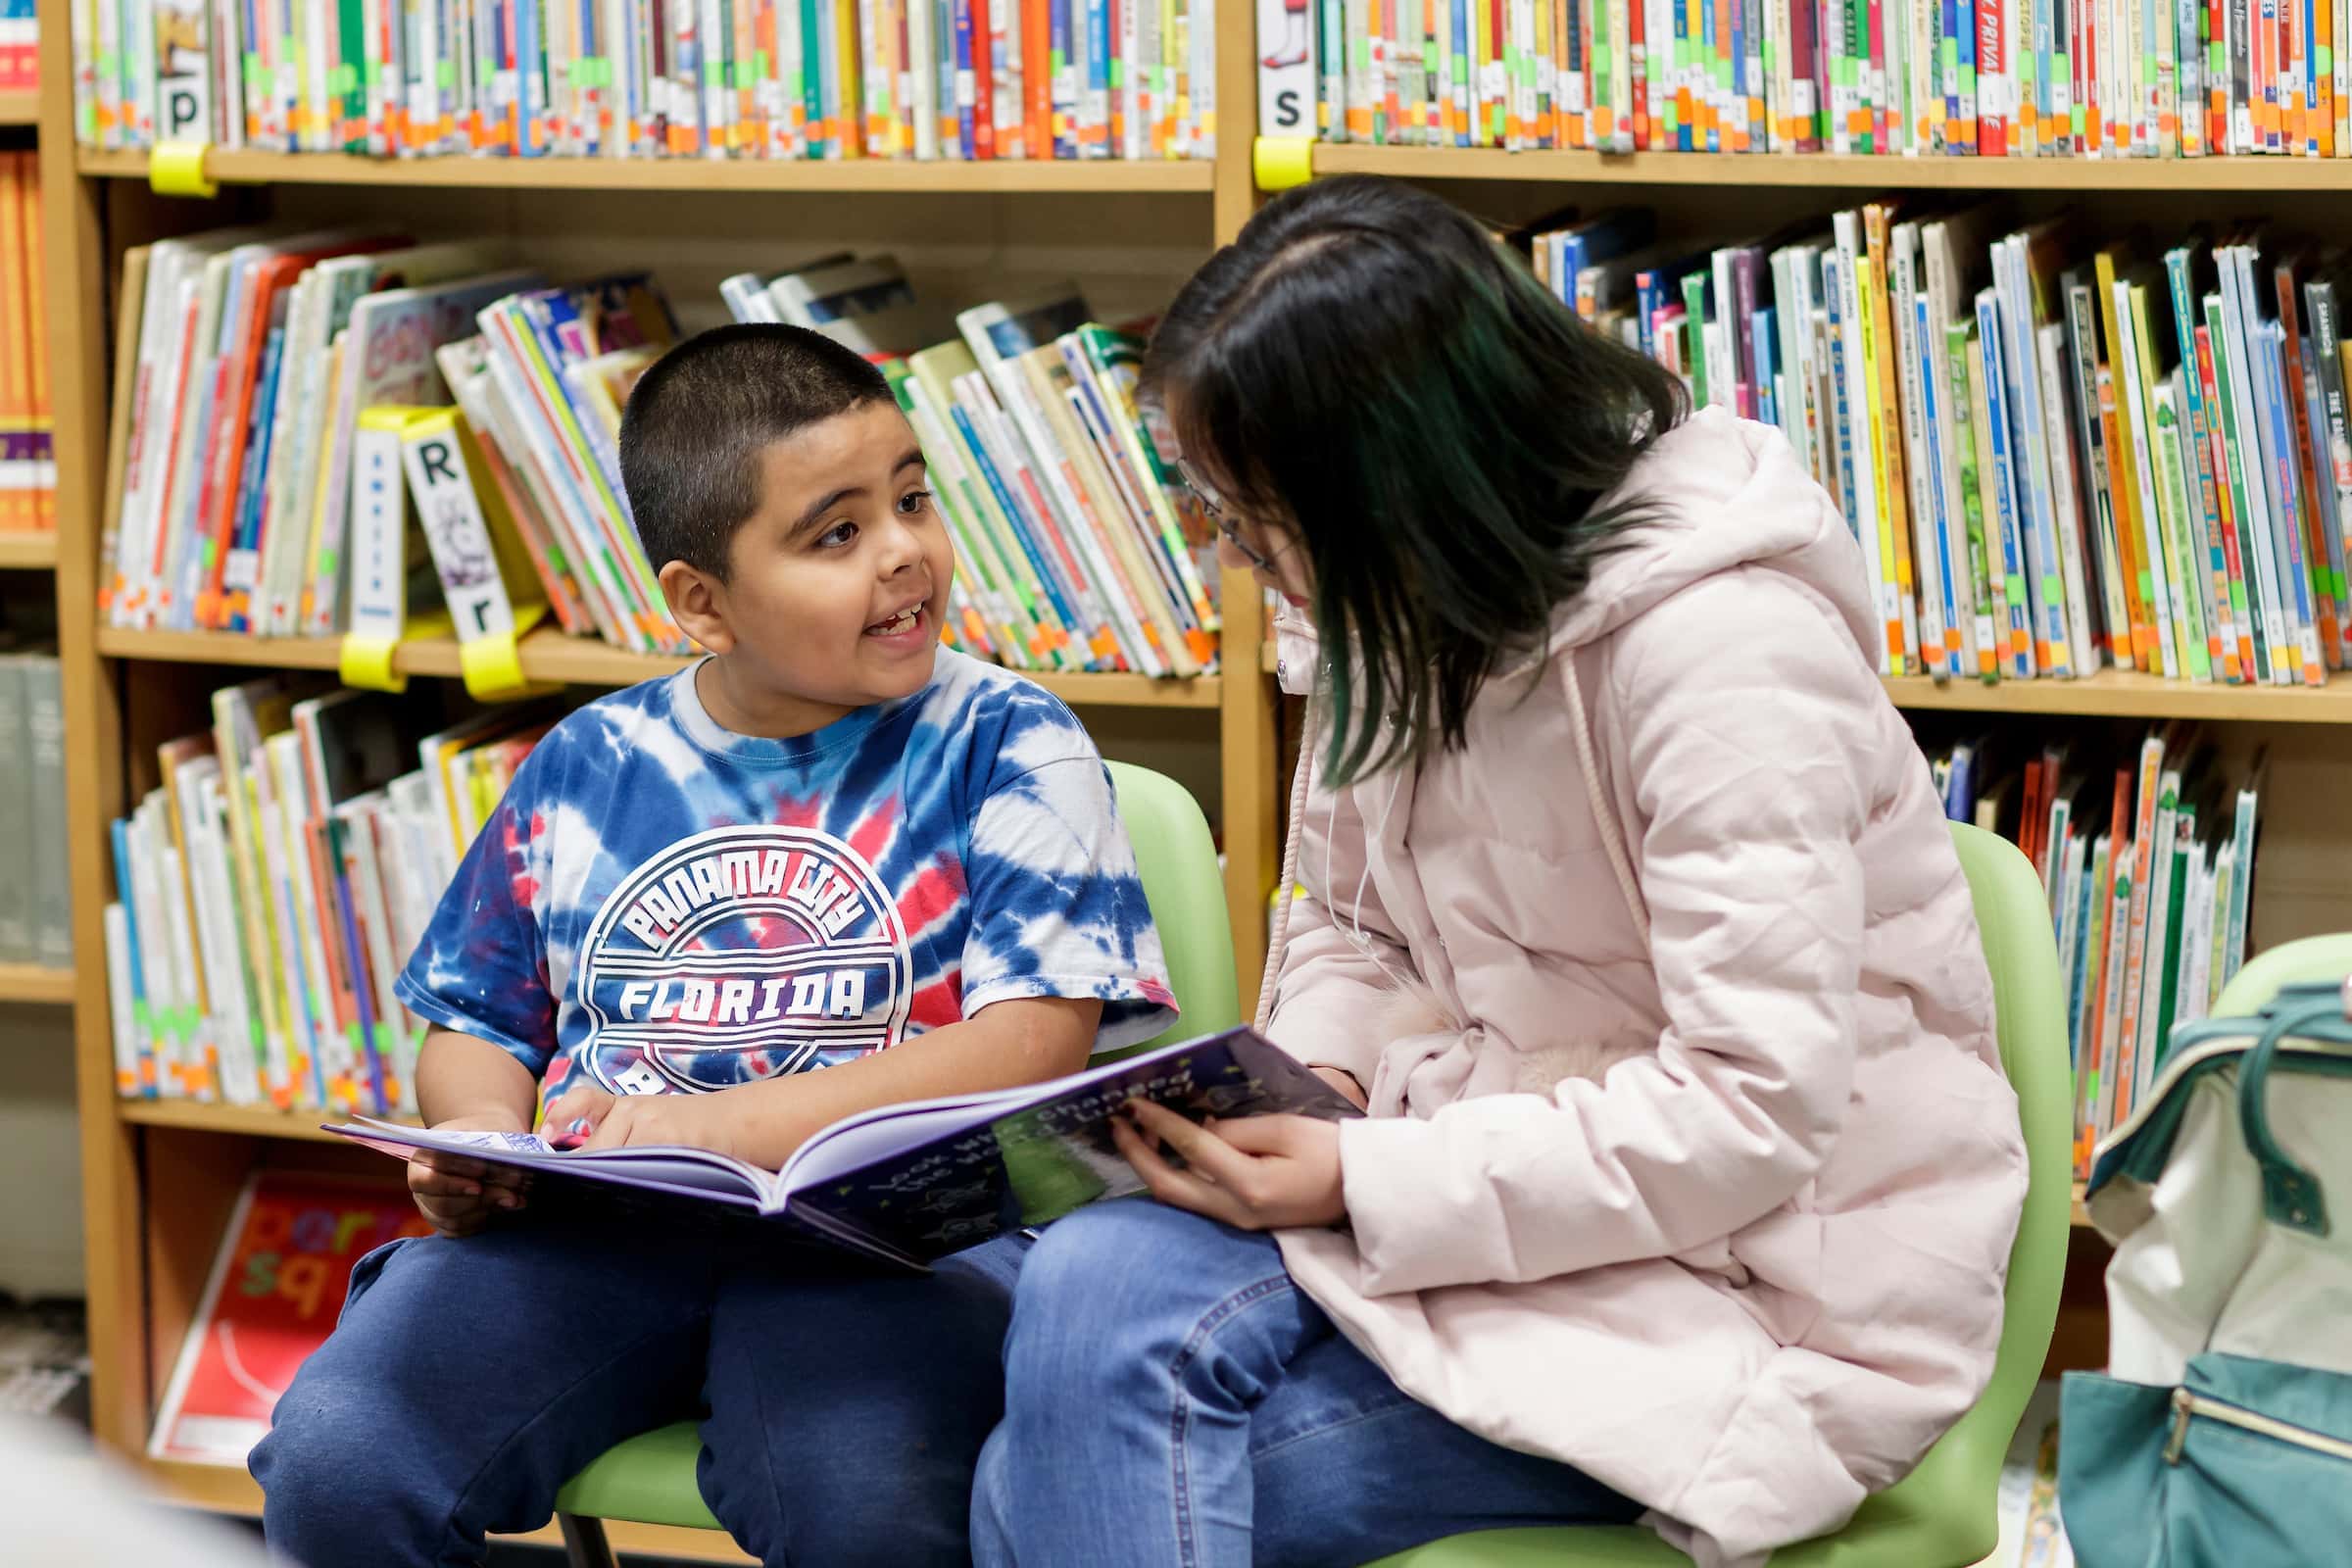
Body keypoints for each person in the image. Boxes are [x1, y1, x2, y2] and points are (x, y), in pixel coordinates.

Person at [972, 175, 2030, 1568]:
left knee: (1038, 1486)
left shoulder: (1725, 659)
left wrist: (1362, 1176)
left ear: (1402, 485)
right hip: (1475, 1191)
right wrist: (1320, 1086)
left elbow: (1749, 1113)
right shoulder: (1397, 607)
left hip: (1758, 1284)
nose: (1247, 564)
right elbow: (1351, 926)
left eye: (1259, 520)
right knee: (1095, 1297)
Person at [253, 324, 1175, 1568]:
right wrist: (475, 1137)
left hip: (895, 1254)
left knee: (854, 1500)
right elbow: (475, 1017)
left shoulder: (1008, 739)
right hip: (600, 1237)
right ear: (701, 603)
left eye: (911, 497)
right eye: (836, 533)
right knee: (340, 1455)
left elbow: (1027, 1045)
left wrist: (704, 1128)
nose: (904, 550)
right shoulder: (590, 763)